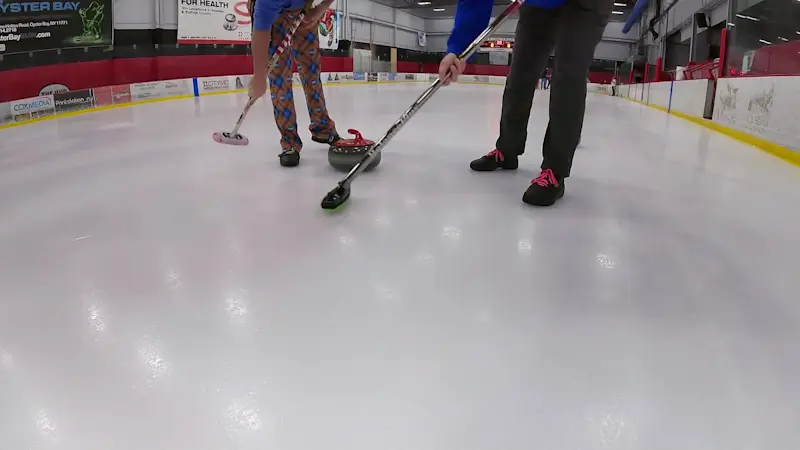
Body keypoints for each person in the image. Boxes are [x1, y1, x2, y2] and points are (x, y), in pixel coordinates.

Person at [438, 0, 613, 206]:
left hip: (584, 5)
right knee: (520, 73)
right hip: (537, 6)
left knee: (568, 76)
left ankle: (554, 171)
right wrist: (458, 49)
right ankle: (507, 150)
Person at [249, 0, 341, 167]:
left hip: (304, 10)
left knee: (311, 69)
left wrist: (320, 9)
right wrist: (259, 75)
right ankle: (289, 141)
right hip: (274, 17)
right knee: (279, 76)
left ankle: (322, 128)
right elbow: (261, 30)